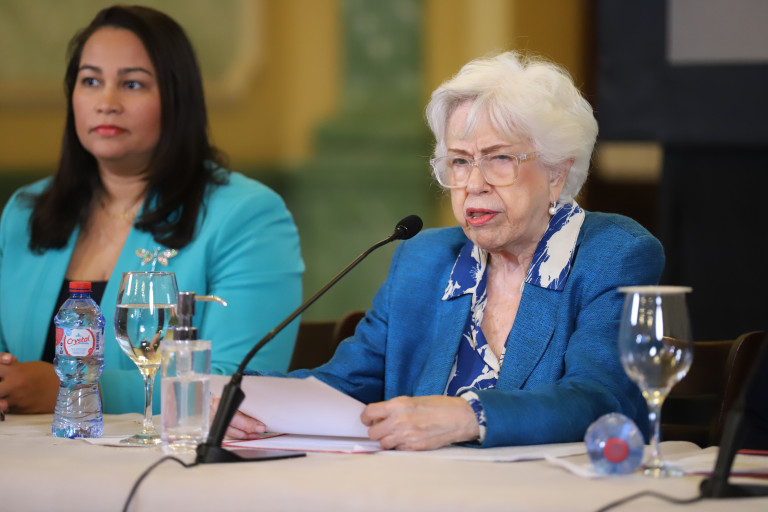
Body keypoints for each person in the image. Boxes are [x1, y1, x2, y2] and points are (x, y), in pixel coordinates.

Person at [225, 51, 664, 449]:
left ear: (556, 172)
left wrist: (471, 417)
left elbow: (599, 399)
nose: (473, 184)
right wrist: (245, 401)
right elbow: (343, 384)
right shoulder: (424, 259)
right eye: (459, 161)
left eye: (499, 159)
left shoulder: (613, 254)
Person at [0, 5, 303, 415]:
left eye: (133, 84)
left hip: (165, 452)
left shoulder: (248, 216)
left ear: (177, 98)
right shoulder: (24, 212)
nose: (106, 102)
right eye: (91, 81)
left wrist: (75, 388)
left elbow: (241, 383)